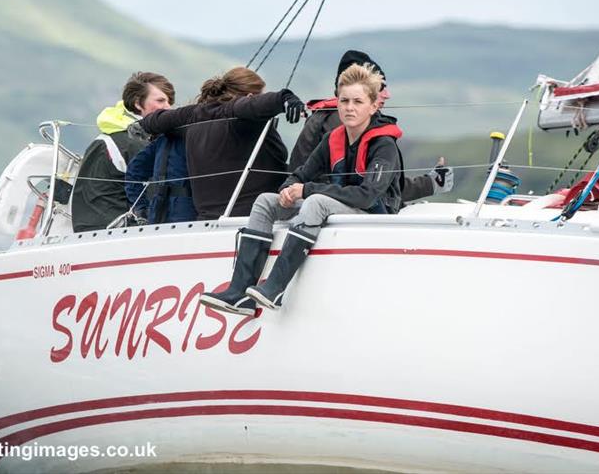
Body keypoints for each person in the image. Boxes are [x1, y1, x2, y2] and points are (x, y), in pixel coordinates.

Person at [200, 63, 404, 316]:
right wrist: (288, 190)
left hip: (369, 214)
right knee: (266, 200)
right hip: (337, 205)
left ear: (373, 106)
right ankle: (239, 293)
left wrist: (306, 189)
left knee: (315, 201)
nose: (350, 108)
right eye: (344, 101)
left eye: (358, 102)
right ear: (337, 102)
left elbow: (368, 195)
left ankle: (274, 288)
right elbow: (300, 173)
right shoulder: (334, 138)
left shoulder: (384, 145)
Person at [137, 67, 307, 220]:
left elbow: (155, 120)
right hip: (256, 216)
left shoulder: (193, 115)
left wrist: (141, 126)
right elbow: (258, 104)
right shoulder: (238, 112)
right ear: (250, 97)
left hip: (208, 220)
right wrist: (285, 98)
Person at [289, 49, 453, 201]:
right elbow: (367, 192)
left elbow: (376, 185)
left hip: (315, 199)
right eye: (380, 86)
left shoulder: (327, 116)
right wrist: (431, 184)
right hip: (322, 205)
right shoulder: (347, 123)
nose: (387, 95)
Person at [71, 72, 173, 232]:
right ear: (138, 103)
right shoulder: (135, 142)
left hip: (88, 228)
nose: (168, 107)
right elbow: (158, 195)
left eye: (169, 101)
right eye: (161, 100)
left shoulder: (112, 134)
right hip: (115, 232)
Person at [124, 117, 195, 225]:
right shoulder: (165, 139)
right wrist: (141, 207)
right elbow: (135, 170)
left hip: (159, 211)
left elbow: (135, 170)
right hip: (187, 211)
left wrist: (141, 208)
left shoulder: (164, 138)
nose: (167, 106)